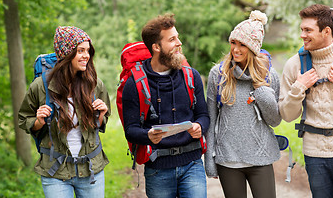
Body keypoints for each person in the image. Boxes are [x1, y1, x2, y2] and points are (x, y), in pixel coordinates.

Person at [122, 14, 210, 198]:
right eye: (172, 39)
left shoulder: (191, 76)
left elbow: (204, 115)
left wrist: (200, 126)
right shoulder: (134, 84)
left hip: (192, 164)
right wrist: (148, 135)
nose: (179, 42)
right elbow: (131, 130)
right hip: (158, 169)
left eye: (177, 37)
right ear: (156, 47)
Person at [18, 26, 111, 198]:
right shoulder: (40, 87)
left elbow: (97, 127)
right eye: (80, 50)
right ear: (66, 54)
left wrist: (102, 114)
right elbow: (24, 119)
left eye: (88, 50)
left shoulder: (95, 84)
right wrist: (38, 121)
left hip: (91, 170)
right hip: (55, 172)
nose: (86, 56)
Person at [279, 4, 333, 197]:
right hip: (315, 155)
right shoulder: (294, 65)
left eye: (308, 30)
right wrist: (299, 88)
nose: (302, 35)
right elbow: (287, 116)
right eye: (302, 29)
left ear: (326, 31)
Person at [205, 10, 282, 198]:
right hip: (228, 161)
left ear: (254, 48)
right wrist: (209, 159)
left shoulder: (270, 77)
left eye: (243, 45)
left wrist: (260, 88)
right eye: (233, 43)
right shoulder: (218, 75)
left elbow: (274, 120)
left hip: (261, 158)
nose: (236, 49)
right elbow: (211, 119)